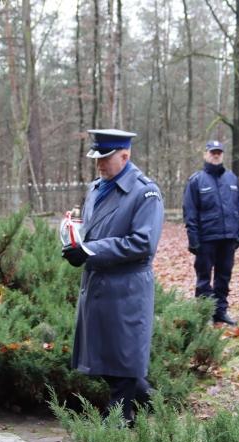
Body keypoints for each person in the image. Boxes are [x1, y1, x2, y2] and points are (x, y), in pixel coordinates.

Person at [61, 129, 164, 425]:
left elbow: (143, 243)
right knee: (106, 359)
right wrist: (74, 238)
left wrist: (90, 250)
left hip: (126, 290)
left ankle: (115, 424)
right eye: (96, 158)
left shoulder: (146, 192)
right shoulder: (97, 187)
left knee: (123, 363)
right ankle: (154, 403)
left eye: (105, 158)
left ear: (125, 156)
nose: (99, 165)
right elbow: (95, 229)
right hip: (97, 286)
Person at [182, 140, 239, 325]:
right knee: (204, 278)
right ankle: (204, 313)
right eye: (212, 152)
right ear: (205, 154)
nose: (216, 155)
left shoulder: (232, 179)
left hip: (228, 237)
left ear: (223, 155)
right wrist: (193, 239)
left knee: (224, 276)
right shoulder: (196, 181)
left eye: (219, 152)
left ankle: (220, 311)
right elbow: (190, 212)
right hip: (206, 238)